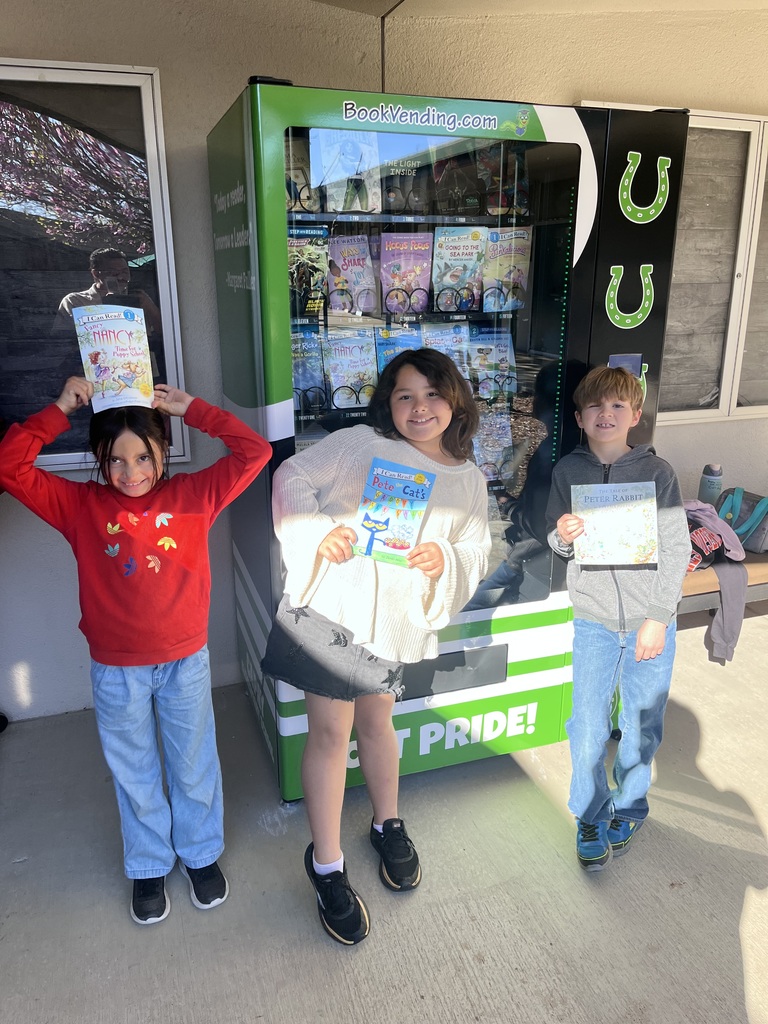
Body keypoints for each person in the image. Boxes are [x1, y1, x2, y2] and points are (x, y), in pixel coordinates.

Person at [0, 376, 272, 924]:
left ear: (162, 451)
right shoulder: (79, 505)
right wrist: (58, 410)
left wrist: (191, 408)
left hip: (184, 661)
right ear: (98, 458)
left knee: (193, 762)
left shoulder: (194, 495)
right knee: (135, 770)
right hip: (115, 668)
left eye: (143, 457)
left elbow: (255, 451)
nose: (131, 473)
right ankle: (148, 863)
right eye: (115, 460)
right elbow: (11, 467)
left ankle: (199, 855)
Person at [263, 348, 490, 945]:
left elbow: (474, 546)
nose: (420, 408)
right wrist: (319, 531)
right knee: (331, 735)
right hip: (332, 614)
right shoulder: (363, 444)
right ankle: (327, 864)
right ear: (387, 404)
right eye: (405, 396)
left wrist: (446, 559)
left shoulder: (468, 479)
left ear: (455, 400)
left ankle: (387, 823)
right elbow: (290, 476)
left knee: (377, 726)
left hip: (390, 623)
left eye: (433, 394)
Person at [545, 365, 690, 871]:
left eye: (617, 406)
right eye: (596, 407)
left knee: (641, 722)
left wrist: (658, 616)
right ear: (580, 417)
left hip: (651, 622)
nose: (606, 414)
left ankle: (629, 803)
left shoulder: (657, 473)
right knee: (586, 722)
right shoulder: (567, 472)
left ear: (636, 416)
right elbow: (558, 544)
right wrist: (562, 534)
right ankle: (589, 812)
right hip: (593, 619)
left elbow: (677, 548)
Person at [54, 247, 162, 339]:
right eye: (114, 273)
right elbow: (62, 338)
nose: (121, 277)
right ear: (96, 273)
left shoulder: (139, 299)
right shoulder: (76, 301)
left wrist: (149, 306)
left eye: (125, 272)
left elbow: (166, 333)